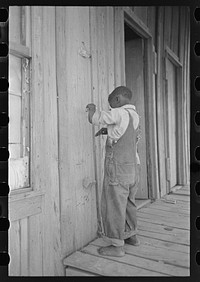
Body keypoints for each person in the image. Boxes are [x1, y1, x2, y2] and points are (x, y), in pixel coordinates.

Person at [86, 86, 141, 257]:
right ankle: (132, 235)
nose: (110, 107)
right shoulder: (134, 116)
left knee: (114, 205)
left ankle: (117, 246)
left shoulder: (118, 112)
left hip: (118, 168)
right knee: (129, 203)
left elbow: (95, 119)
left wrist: (92, 109)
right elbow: (123, 133)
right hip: (133, 168)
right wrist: (107, 131)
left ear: (117, 100)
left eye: (110, 103)